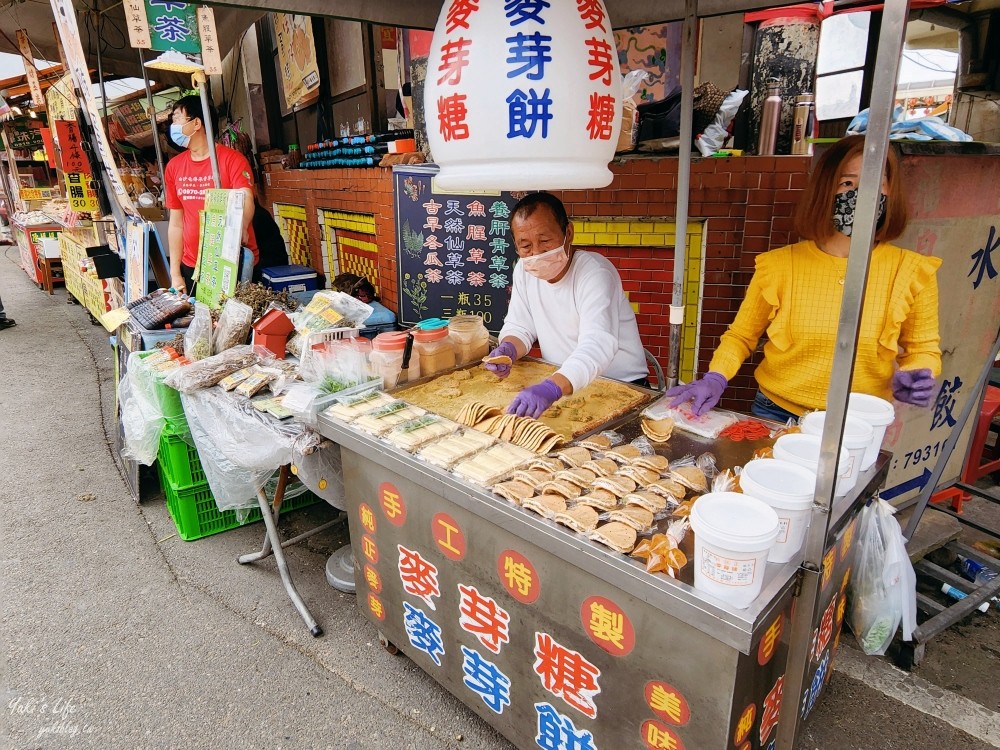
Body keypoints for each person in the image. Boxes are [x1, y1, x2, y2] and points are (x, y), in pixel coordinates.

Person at [667, 135, 941, 422]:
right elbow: (741, 335)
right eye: (847, 183)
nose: (861, 194)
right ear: (825, 191)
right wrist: (716, 377)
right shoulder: (779, 265)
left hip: (860, 420)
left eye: (875, 183)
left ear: (890, 192)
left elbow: (922, 349)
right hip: (778, 412)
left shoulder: (912, 271)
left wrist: (917, 373)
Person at [483, 192, 648, 419]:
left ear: (568, 233)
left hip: (620, 387)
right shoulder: (523, 270)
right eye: (526, 246)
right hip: (565, 384)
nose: (536, 253)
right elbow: (520, 325)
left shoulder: (594, 274)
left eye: (545, 241)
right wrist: (509, 349)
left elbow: (597, 344)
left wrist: (550, 388)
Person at [164, 95, 257, 294]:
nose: (173, 126)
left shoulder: (232, 160)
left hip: (230, 263)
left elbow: (245, 197)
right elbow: (176, 223)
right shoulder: (174, 167)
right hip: (192, 264)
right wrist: (175, 272)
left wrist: (242, 225)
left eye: (177, 119)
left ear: (197, 123)